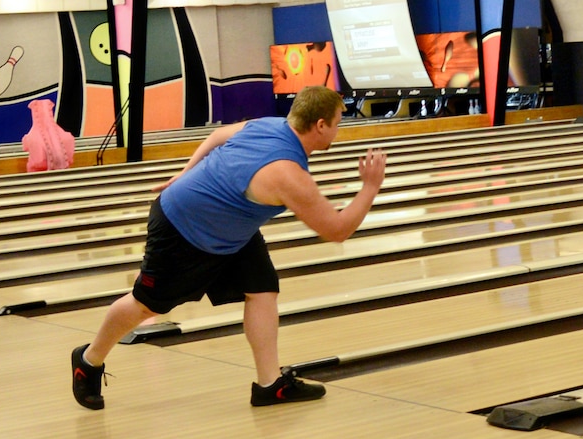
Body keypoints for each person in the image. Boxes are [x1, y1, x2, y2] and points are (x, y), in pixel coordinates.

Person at [70, 85, 387, 410]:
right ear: (320, 125)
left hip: (231, 227)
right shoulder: (289, 175)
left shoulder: (270, 124)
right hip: (183, 227)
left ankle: (269, 385)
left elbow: (218, 135)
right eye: (337, 122)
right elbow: (336, 230)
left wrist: (184, 173)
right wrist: (370, 187)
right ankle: (89, 360)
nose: (338, 129)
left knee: (262, 289)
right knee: (146, 305)